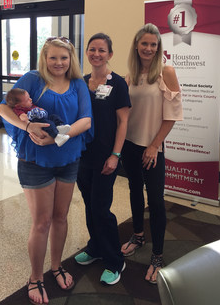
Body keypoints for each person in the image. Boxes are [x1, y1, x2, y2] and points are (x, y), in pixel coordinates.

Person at [0, 37, 92, 305]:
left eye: (64, 57)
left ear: (71, 58)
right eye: (53, 57)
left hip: (69, 158)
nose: (59, 63)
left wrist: (56, 138)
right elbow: (3, 108)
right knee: (41, 222)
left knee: (61, 217)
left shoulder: (77, 84)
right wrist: (27, 127)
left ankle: (56, 266)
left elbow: (85, 121)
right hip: (35, 162)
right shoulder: (32, 79)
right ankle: (35, 277)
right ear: (45, 58)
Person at [121, 23, 183, 284]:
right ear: (136, 45)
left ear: (158, 48)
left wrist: (155, 145)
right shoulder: (130, 76)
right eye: (144, 43)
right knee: (134, 192)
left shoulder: (165, 72)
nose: (148, 48)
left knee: (156, 201)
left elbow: (172, 115)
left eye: (153, 45)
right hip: (129, 145)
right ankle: (137, 235)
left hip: (152, 148)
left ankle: (157, 255)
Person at [74, 33, 131, 285]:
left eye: (102, 50)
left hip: (106, 157)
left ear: (110, 54)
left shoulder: (118, 84)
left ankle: (114, 260)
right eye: (92, 49)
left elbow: (123, 121)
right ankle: (95, 247)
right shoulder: (81, 82)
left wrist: (115, 155)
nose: (96, 53)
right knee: (89, 204)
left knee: (101, 208)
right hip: (82, 156)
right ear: (86, 52)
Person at [5, 88, 71, 147]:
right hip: (38, 123)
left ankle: (59, 127)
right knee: (48, 124)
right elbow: (23, 117)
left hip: (43, 117)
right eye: (27, 100)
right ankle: (57, 137)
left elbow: (38, 108)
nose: (30, 100)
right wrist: (31, 115)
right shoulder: (19, 110)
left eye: (29, 97)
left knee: (54, 117)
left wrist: (41, 110)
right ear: (18, 105)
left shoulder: (30, 105)